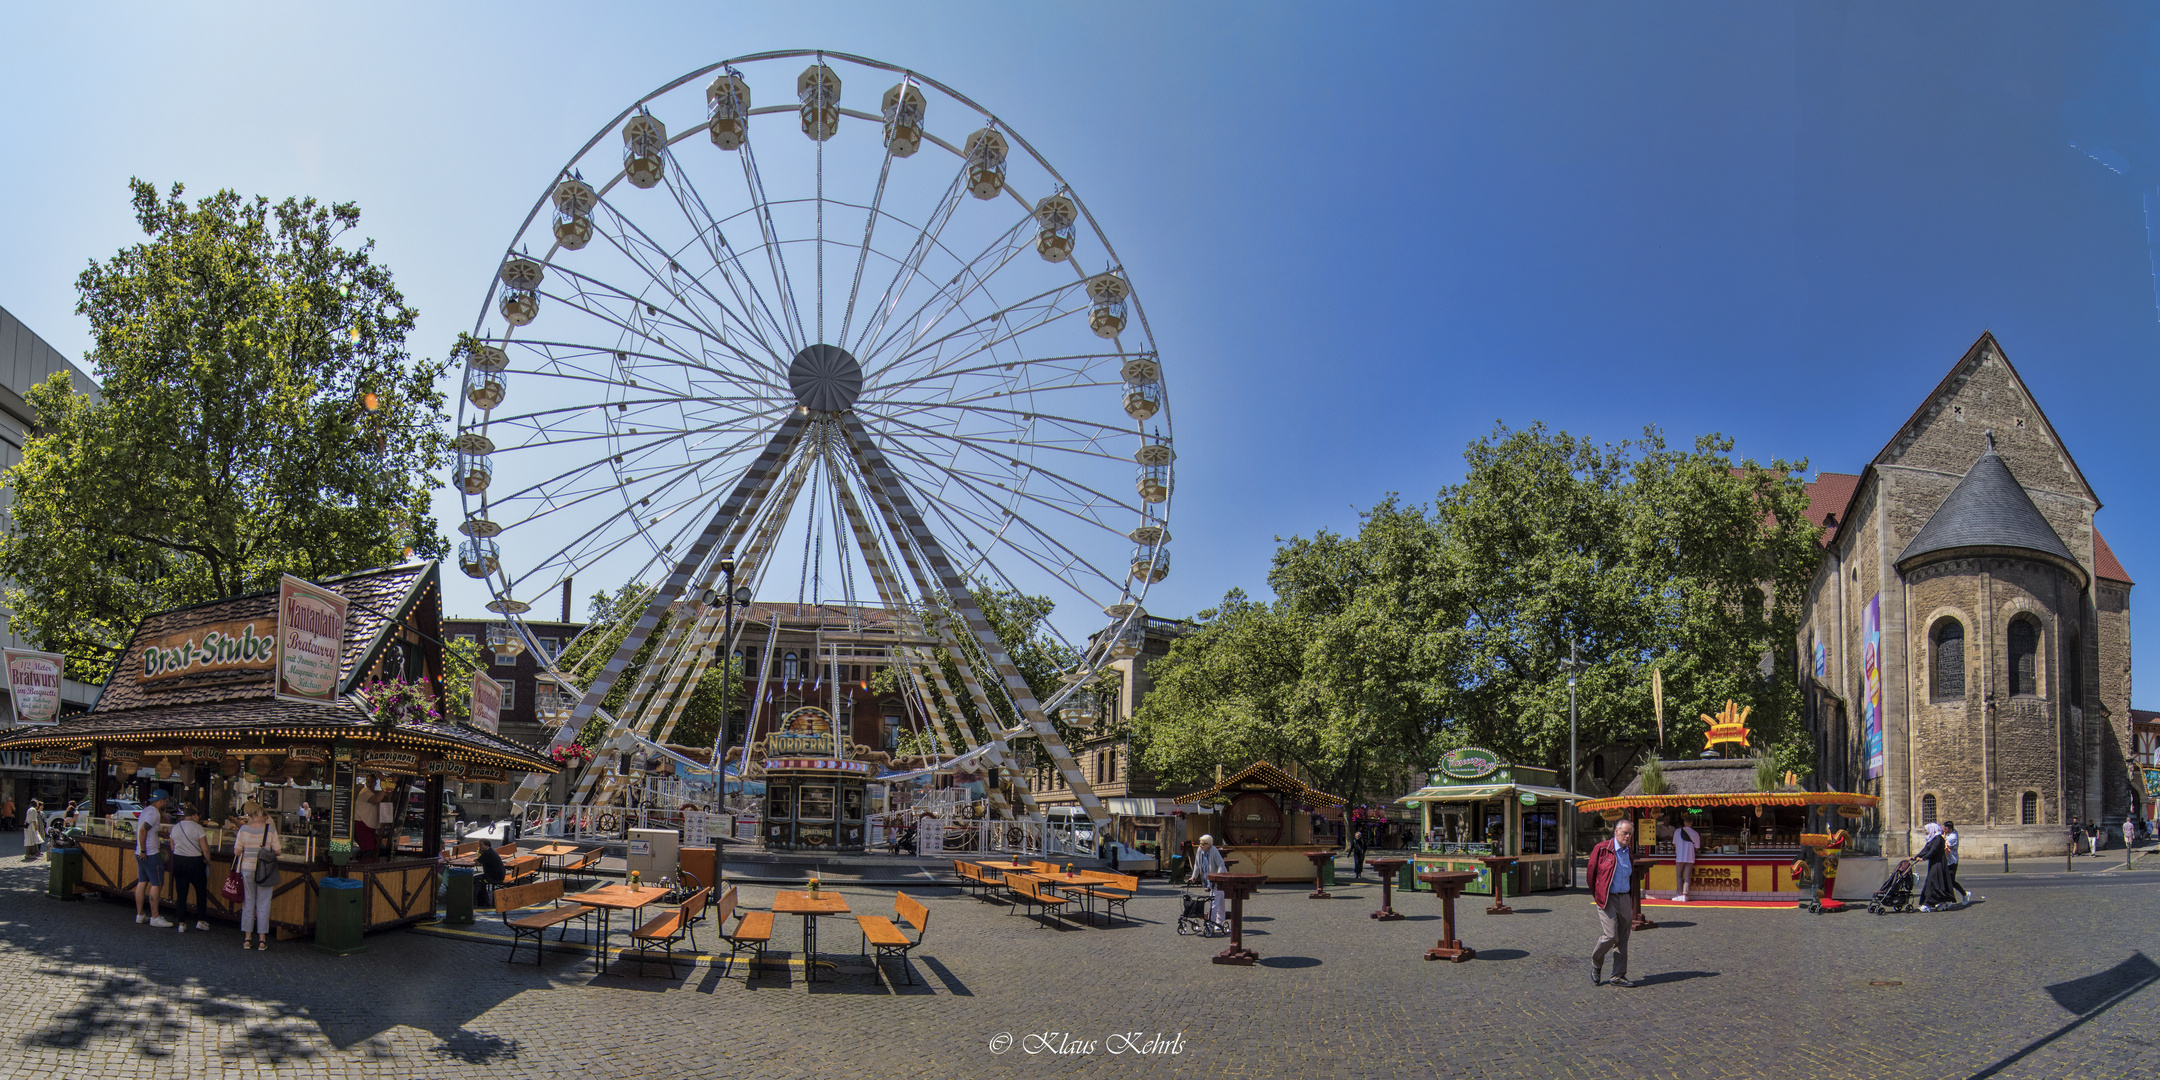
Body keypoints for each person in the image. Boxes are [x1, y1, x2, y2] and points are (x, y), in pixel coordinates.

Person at [1586, 819, 1637, 987]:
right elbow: (1590, 875)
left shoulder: (1628, 851)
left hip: (1624, 897)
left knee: (1623, 938)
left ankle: (1618, 976)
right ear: (1616, 832)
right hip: (1607, 898)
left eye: (1630, 833)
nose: (1628, 836)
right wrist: (1598, 895)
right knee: (1610, 936)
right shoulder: (1601, 849)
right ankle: (1596, 961)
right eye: (1625, 833)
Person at [234, 801, 279, 950]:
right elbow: (278, 851)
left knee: (248, 902)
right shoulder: (270, 829)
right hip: (265, 872)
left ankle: (247, 938)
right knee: (263, 904)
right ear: (265, 817)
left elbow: (237, 851)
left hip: (247, 869)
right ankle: (262, 940)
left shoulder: (244, 829)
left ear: (252, 816)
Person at [168, 804, 212, 932]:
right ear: (193, 815)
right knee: (200, 892)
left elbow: (172, 847)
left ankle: (181, 923)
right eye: (198, 815)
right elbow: (205, 848)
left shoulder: (175, 827)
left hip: (178, 860)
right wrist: (208, 861)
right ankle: (201, 921)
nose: (198, 817)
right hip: (195, 862)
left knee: (181, 893)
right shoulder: (198, 828)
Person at [134, 789, 172, 928]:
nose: (166, 804)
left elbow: (146, 830)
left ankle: (140, 914)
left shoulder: (146, 810)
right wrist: (144, 850)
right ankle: (155, 916)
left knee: (142, 882)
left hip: (140, 852)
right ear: (161, 801)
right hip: (150, 853)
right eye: (166, 802)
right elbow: (143, 830)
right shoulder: (155, 813)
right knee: (156, 884)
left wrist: (159, 833)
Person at [1916, 822, 1955, 911]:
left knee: (1934, 882)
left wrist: (1924, 858)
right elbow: (1927, 849)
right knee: (1934, 882)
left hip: (1939, 864)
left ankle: (1928, 903)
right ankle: (1941, 901)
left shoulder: (1938, 839)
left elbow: (1933, 850)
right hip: (1934, 863)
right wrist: (1917, 856)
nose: (1925, 832)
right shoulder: (1933, 838)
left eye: (1926, 830)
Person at [1194, 834, 1229, 930]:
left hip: (1217, 880)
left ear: (1209, 844)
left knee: (1213, 902)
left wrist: (1217, 877)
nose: (1201, 846)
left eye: (1203, 844)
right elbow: (1197, 864)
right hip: (1209, 880)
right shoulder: (1199, 850)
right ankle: (1220, 922)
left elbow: (1221, 865)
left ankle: (1211, 923)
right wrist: (1194, 876)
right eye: (1200, 844)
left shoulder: (1214, 851)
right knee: (1220, 901)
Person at [1672, 815, 1701, 903]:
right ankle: (1685, 895)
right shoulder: (1695, 833)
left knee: (1679, 875)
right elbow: (1697, 847)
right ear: (1691, 823)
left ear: (1684, 822)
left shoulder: (1677, 831)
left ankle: (1679, 894)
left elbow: (1674, 844)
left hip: (1680, 856)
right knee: (1687, 876)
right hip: (1690, 856)